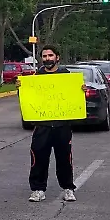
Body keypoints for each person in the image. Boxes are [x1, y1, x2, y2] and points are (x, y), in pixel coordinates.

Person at [28, 45, 78, 203]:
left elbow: (74, 96)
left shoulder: (65, 75)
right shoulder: (37, 76)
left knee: (64, 159)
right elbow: (29, 98)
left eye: (50, 55)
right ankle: (38, 190)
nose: (47, 58)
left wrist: (80, 89)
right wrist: (21, 89)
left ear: (57, 57)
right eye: (44, 56)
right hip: (42, 126)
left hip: (62, 126)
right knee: (38, 159)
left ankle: (68, 189)